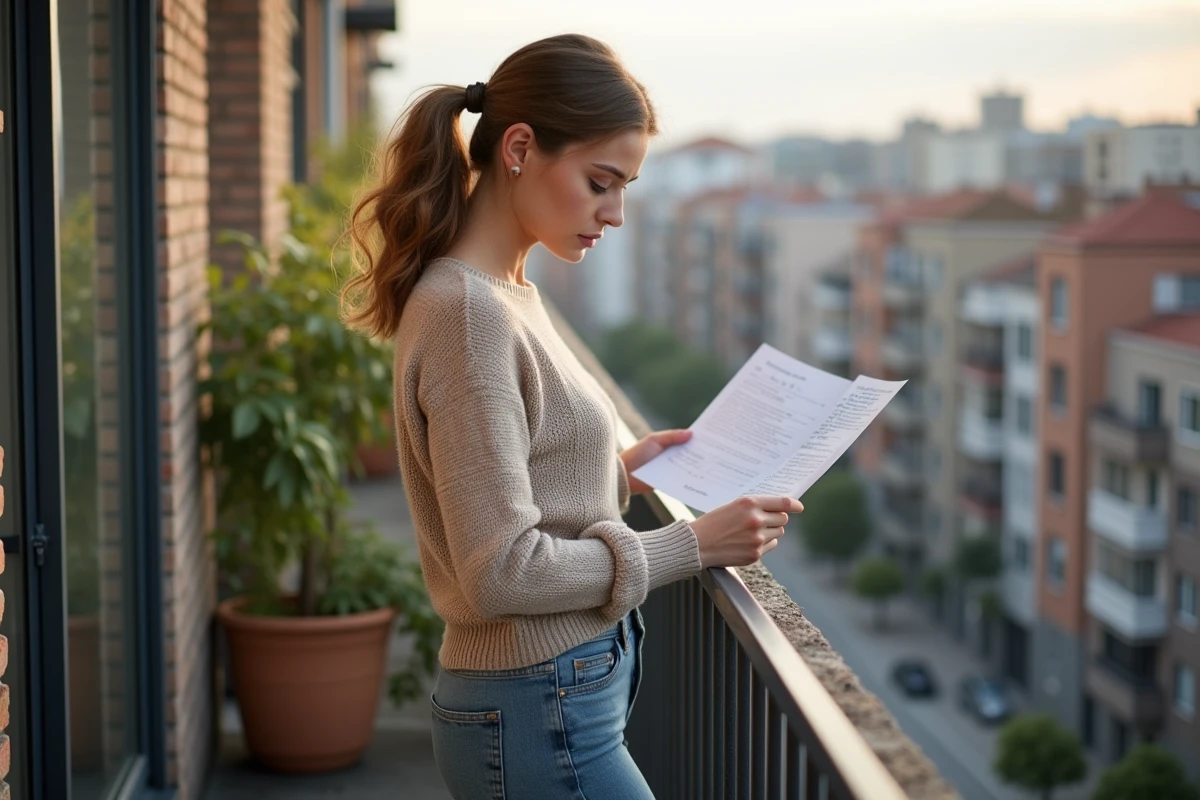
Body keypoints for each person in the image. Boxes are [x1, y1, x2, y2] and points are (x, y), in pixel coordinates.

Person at [342, 33, 804, 799]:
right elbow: (501, 572)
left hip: (554, 701)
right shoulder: (469, 314)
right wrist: (691, 545)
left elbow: (505, 473)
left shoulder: (507, 292)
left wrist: (610, 474)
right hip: (536, 709)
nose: (614, 214)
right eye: (600, 183)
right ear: (521, 148)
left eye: (623, 189)